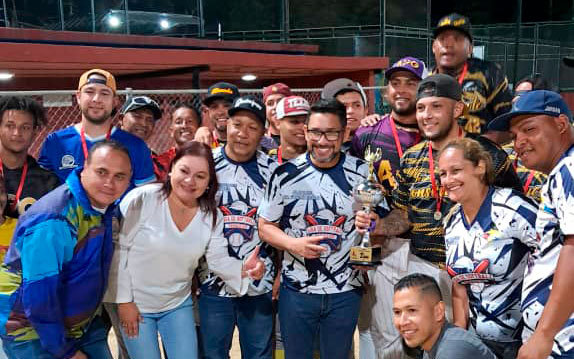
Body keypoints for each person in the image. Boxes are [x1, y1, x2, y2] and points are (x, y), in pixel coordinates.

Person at [356, 74, 520, 358]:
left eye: (436, 107)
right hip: (423, 267)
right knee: (422, 347)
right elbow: (404, 214)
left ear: (457, 110)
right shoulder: (412, 157)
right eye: (421, 108)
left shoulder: (487, 153)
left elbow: (514, 207)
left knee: (469, 349)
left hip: (477, 274)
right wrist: (379, 224)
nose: (426, 115)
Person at [104, 141, 265, 359]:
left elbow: (217, 259)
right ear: (171, 169)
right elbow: (119, 252)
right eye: (184, 171)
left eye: (200, 176)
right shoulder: (144, 198)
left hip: (176, 303)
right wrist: (124, 303)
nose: (190, 181)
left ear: (209, 182)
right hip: (135, 303)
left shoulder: (210, 215)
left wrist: (244, 269)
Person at [258, 99, 389, 359]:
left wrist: (372, 233)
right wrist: (294, 245)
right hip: (296, 291)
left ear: (344, 134)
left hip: (346, 291)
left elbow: (379, 228)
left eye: (331, 133)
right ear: (305, 131)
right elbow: (265, 227)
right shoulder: (284, 174)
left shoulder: (363, 172)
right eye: (316, 132)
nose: (323, 140)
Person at [0, 141, 133, 359]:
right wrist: (66, 352)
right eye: (102, 172)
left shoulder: (103, 207)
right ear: (84, 168)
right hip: (31, 330)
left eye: (119, 176)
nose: (109, 183)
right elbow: (39, 297)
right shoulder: (54, 220)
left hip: (80, 323)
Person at [488, 90, 574, 359]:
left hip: (563, 338)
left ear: (561, 124)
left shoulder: (568, 170)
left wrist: (544, 334)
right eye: (514, 137)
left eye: (529, 129)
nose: (519, 143)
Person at [438, 138, 538, 358]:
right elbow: (459, 287)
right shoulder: (452, 222)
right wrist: (459, 339)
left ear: (480, 167)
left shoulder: (513, 207)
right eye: (443, 174)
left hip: (525, 341)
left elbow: (556, 257)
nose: (448, 180)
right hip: (479, 344)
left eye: (455, 170)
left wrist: (541, 334)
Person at [197, 96, 276, 359]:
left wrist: (279, 274)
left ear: (263, 133)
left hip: (259, 280)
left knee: (259, 353)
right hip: (213, 280)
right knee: (214, 353)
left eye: (252, 128)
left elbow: (283, 225)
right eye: (237, 124)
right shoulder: (205, 164)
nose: (243, 134)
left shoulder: (273, 171)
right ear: (226, 125)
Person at [38, 69, 155, 188]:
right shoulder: (55, 141)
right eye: (89, 91)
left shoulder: (135, 146)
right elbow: (42, 190)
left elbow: (146, 197)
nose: (96, 99)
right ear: (78, 97)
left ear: (115, 101)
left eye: (104, 93)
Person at [431, 13, 513, 144]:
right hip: (433, 157)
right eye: (442, 39)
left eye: (457, 39)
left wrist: (479, 147)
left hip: (478, 156)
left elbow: (509, 123)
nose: (448, 44)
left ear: (470, 47)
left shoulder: (488, 73)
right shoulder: (426, 80)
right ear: (433, 47)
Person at [392, 273, 496, 359]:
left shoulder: (452, 350)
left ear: (438, 311)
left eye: (412, 310)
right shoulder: (432, 344)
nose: (402, 321)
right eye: (397, 312)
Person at [0, 96, 59, 218]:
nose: (17, 133)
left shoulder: (49, 182)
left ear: (34, 132)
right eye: (10, 126)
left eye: (25, 127)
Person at [154, 102, 202, 181]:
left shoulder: (211, 157)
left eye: (190, 121)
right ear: (171, 131)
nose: (184, 125)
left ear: (199, 127)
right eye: (178, 122)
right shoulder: (161, 163)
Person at [322, 78, 369, 152]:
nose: (350, 111)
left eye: (357, 105)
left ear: (366, 110)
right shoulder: (319, 146)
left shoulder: (376, 140)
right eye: (343, 106)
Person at [194, 82, 240, 148]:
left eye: (227, 106)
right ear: (208, 111)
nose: (220, 112)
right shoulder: (203, 143)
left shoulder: (249, 141)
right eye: (214, 106)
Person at [267, 95, 310, 164]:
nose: (303, 127)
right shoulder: (267, 162)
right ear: (278, 123)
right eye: (295, 122)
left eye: (306, 122)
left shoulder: (322, 161)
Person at [262, 82, 293, 152]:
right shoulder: (260, 139)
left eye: (280, 102)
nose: (275, 107)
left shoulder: (300, 137)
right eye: (270, 103)